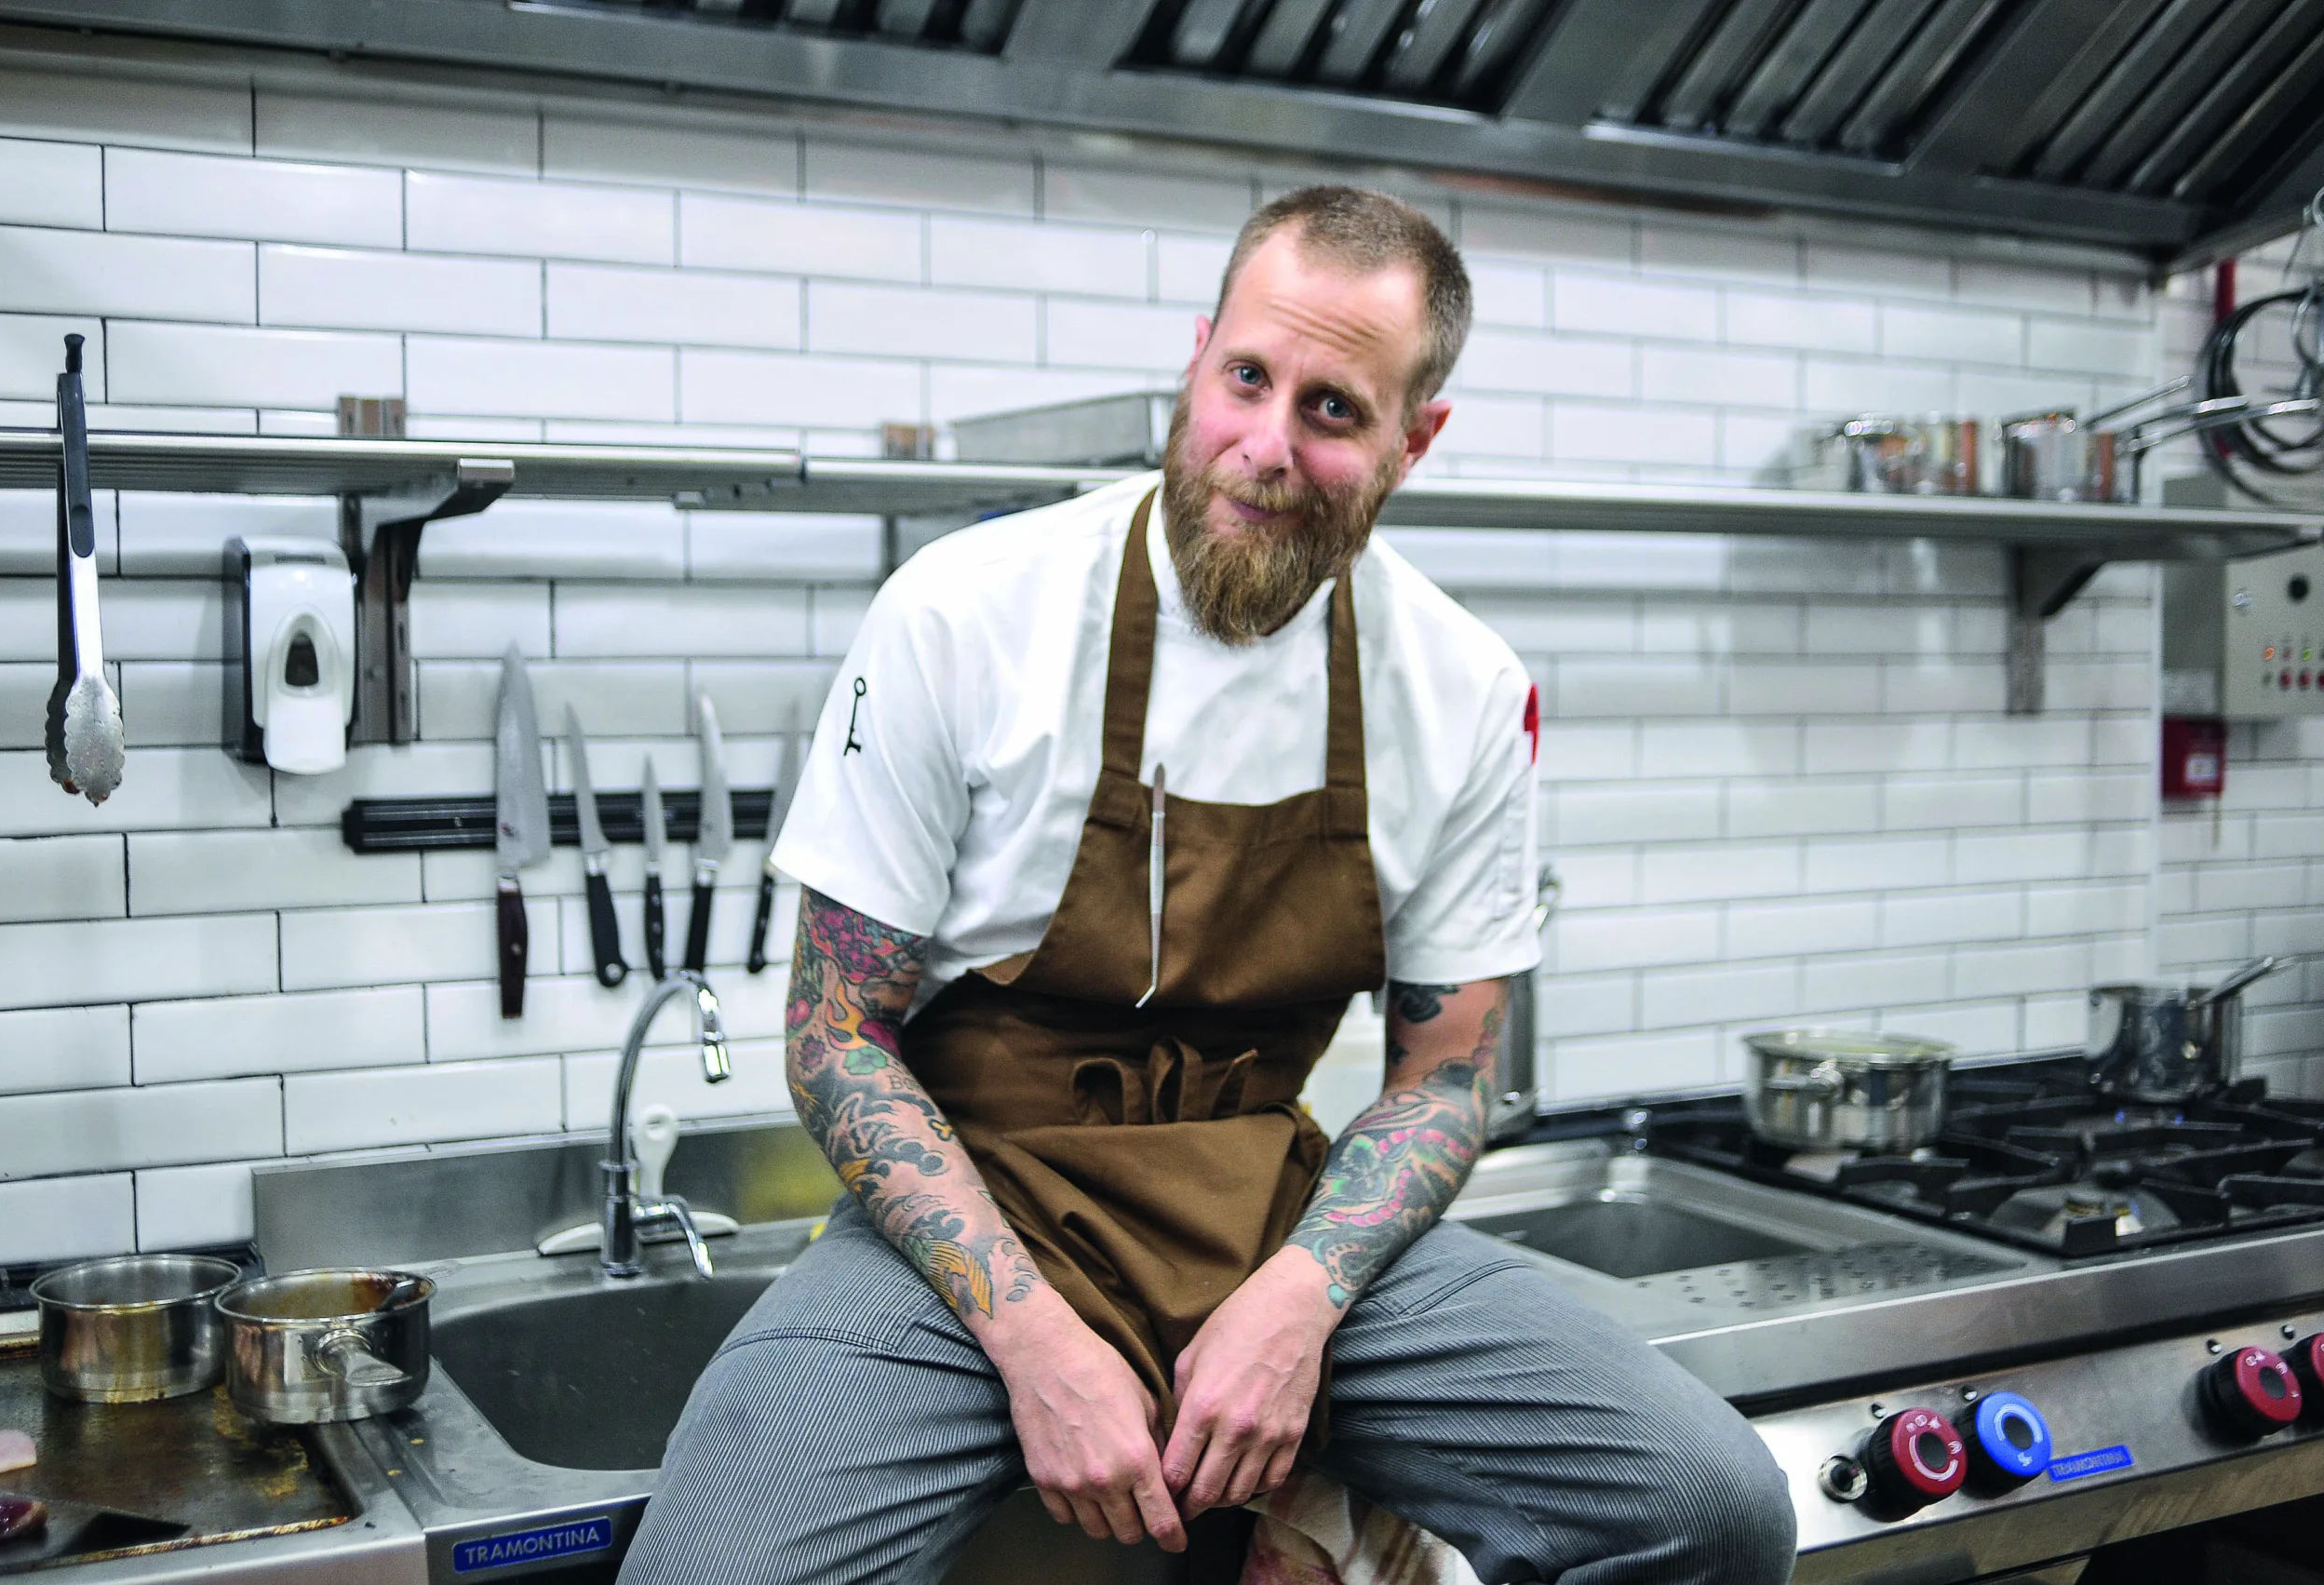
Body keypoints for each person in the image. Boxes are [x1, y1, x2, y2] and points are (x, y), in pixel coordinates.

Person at [622, 185, 1796, 1585]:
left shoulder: (1466, 689)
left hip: (1271, 1218)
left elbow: (1447, 1071)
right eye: (1247, 377)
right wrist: (1030, 1332)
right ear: (1197, 357)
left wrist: (1301, 1297)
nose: (1264, 446)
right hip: (978, 1225)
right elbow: (835, 1036)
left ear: (1416, 440)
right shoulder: (965, 611)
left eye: (1334, 410)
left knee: (1713, 1505)